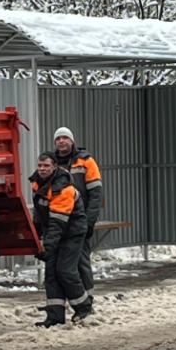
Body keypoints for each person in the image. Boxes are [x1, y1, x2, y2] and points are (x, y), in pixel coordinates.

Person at [30, 151, 92, 327]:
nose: (42, 169)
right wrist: (35, 237)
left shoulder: (63, 187)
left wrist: (47, 247)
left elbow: (58, 220)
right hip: (56, 232)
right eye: (40, 165)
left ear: (55, 166)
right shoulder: (37, 182)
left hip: (72, 232)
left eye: (46, 166)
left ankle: (83, 307)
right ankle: (55, 316)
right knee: (51, 273)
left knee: (65, 270)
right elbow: (39, 214)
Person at [53, 127, 102, 305]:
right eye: (58, 138)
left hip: (79, 222)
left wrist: (89, 222)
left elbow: (96, 195)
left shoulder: (86, 161)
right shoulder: (51, 163)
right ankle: (64, 302)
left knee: (81, 262)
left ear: (72, 141)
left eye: (65, 138)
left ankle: (88, 299)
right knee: (58, 264)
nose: (61, 141)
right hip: (58, 222)